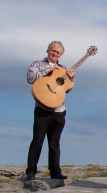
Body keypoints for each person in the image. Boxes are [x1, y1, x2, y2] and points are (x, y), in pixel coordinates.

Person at [26, 41, 75, 181]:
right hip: (42, 108)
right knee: (37, 140)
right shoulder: (37, 64)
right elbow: (30, 78)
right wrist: (45, 72)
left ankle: (55, 171)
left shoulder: (63, 68)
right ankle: (31, 171)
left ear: (61, 54)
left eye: (58, 52)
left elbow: (66, 89)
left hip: (59, 110)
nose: (55, 54)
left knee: (54, 142)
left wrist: (71, 78)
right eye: (53, 51)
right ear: (48, 50)